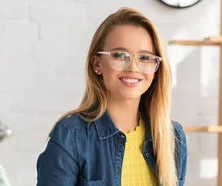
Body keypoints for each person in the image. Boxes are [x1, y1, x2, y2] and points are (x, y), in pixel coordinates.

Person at [36, 7, 187, 186]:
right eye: (120, 55)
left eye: (145, 58)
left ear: (156, 68)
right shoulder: (71, 137)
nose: (133, 68)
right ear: (97, 64)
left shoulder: (172, 137)